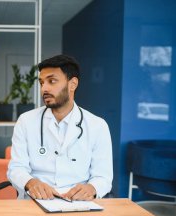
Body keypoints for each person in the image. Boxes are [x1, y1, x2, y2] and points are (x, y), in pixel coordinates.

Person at [7, 55, 113, 201]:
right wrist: (31, 183)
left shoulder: (97, 126)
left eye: (52, 81)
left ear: (72, 84)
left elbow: (103, 177)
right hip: (35, 202)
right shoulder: (26, 121)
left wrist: (92, 188)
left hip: (78, 204)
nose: (44, 88)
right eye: (42, 82)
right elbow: (16, 168)